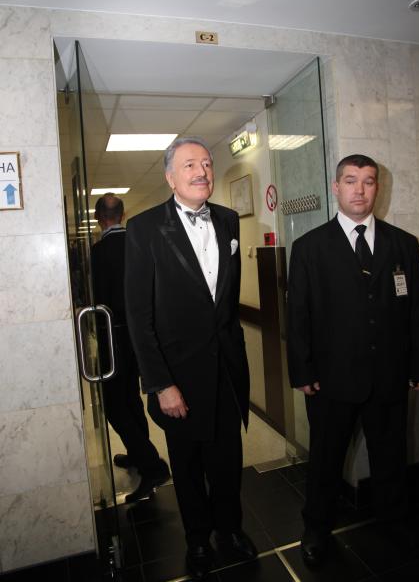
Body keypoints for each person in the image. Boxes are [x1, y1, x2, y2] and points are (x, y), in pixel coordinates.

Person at [124, 137, 257, 580]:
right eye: (189, 165)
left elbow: (224, 303)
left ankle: (230, 530)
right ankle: (198, 539)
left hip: (227, 372)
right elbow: (139, 317)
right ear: (170, 177)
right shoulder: (144, 228)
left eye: (206, 163)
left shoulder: (229, 220)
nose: (201, 171)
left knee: (227, 461)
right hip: (177, 377)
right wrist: (161, 384)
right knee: (187, 465)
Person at [286, 154, 419, 567]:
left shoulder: (404, 244)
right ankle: (316, 528)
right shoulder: (309, 247)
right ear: (336, 187)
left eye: (368, 181)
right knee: (325, 460)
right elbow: (298, 316)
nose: (359, 190)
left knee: (391, 457)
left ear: (377, 188)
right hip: (330, 380)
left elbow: (418, 311)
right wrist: (302, 370)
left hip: (389, 377)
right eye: (350, 180)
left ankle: (394, 523)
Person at [91, 193, 170, 503]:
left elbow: (96, 297)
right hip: (143, 336)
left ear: (99, 218)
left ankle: (152, 465)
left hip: (114, 336)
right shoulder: (140, 243)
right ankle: (138, 454)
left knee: (114, 404)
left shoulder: (97, 253)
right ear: (122, 215)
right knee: (131, 398)